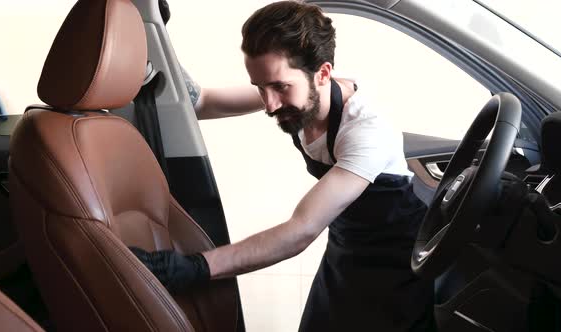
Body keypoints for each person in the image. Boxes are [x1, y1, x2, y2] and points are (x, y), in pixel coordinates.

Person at [132, 1, 434, 331]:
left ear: (323, 73)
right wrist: (152, 33)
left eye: (279, 87)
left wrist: (196, 267)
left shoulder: (365, 130)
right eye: (260, 87)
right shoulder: (294, 88)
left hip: (395, 268)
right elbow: (201, 102)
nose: (269, 104)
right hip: (345, 254)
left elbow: (301, 230)